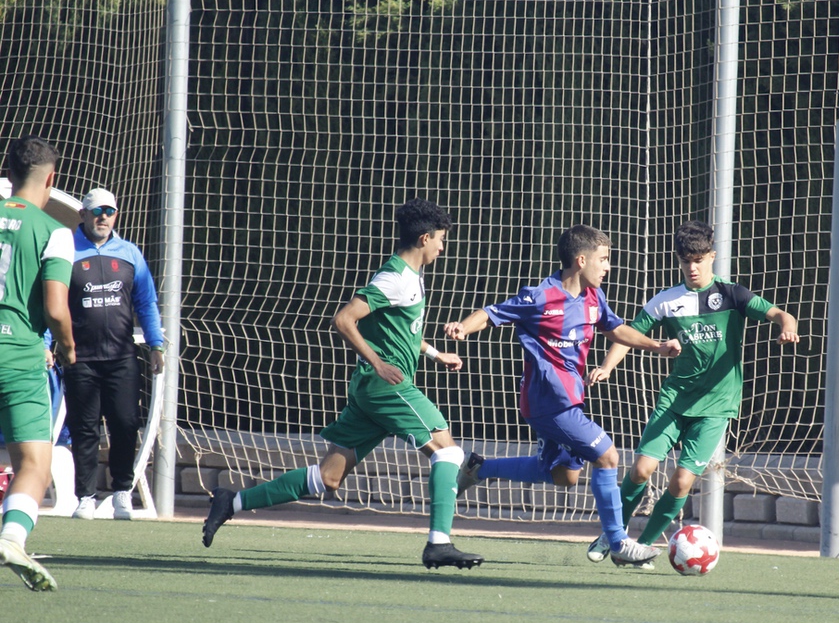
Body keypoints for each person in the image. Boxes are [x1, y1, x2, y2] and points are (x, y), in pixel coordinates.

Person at [202, 198, 485, 569]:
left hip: (371, 393)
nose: (442, 248)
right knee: (448, 452)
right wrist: (379, 363)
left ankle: (231, 501)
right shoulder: (394, 277)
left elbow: (400, 329)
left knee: (328, 478)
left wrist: (435, 355)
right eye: (441, 241)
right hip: (386, 387)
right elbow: (344, 319)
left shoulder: (412, 277)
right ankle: (439, 544)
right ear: (425, 238)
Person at [445, 224, 681, 568]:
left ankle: (480, 468)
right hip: (547, 403)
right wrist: (464, 326)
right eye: (603, 259)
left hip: (568, 400)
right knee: (608, 456)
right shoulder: (540, 296)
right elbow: (492, 313)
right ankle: (617, 542)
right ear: (581, 260)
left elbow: (616, 328)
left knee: (563, 477)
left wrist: (656, 346)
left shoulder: (592, 297)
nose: (608, 266)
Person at [583, 220, 800, 561]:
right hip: (674, 401)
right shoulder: (666, 301)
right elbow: (627, 334)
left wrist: (788, 327)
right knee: (641, 470)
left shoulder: (733, 295)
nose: (693, 267)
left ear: (712, 256)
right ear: (679, 261)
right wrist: (608, 367)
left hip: (715, 407)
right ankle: (613, 535)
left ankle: (643, 546)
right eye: (686, 260)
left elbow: (779, 314)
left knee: (682, 482)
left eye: (699, 259)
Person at [0, 135, 77, 591]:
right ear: (52, 178)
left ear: (8, 174)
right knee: (32, 462)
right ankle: (11, 538)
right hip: (20, 357)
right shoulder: (54, 232)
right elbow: (55, 308)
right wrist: (67, 348)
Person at [64, 187, 165, 521]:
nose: (103, 217)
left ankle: (123, 491)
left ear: (116, 215)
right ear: (84, 215)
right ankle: (86, 497)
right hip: (80, 359)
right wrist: (52, 344)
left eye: (109, 211)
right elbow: (52, 304)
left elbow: (146, 303)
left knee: (124, 424)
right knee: (84, 428)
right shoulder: (66, 252)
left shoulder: (130, 254)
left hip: (122, 358)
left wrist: (156, 344)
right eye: (96, 211)